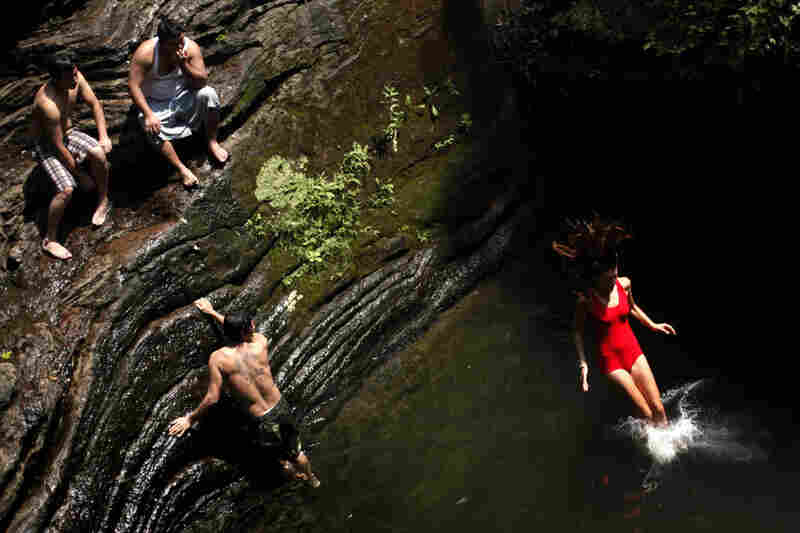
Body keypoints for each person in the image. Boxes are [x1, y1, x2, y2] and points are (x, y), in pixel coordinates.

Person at [168, 298, 320, 487]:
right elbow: (239, 330)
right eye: (251, 324)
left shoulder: (218, 359)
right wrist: (215, 313)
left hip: (262, 420)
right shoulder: (260, 343)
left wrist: (190, 419)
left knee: (277, 455)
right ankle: (312, 479)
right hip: (281, 408)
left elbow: (213, 397)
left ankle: (287, 473)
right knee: (297, 453)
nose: (254, 326)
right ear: (246, 330)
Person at [553, 217, 676, 426]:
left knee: (659, 408)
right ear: (596, 278)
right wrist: (583, 363)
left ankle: (669, 446)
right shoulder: (586, 300)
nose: (614, 279)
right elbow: (577, 331)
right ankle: (652, 448)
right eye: (609, 278)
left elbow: (633, 308)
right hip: (611, 362)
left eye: (615, 274)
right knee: (646, 413)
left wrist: (653, 325)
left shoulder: (624, 284)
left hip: (632, 350)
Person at [128, 17, 228, 188]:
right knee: (149, 126)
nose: (181, 45)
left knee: (209, 94)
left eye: (182, 40)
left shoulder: (190, 47)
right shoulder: (146, 53)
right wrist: (148, 114)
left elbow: (202, 82)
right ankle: (181, 168)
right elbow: (133, 86)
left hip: (183, 96)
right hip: (156, 103)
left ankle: (212, 141)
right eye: (175, 43)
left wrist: (184, 65)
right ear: (163, 43)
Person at [29, 53, 112, 260]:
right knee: (66, 189)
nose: (75, 81)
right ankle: (50, 240)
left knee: (98, 153)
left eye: (76, 74)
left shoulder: (75, 76)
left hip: (67, 133)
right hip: (46, 145)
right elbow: (57, 146)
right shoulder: (48, 104)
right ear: (56, 79)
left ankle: (103, 200)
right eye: (70, 78)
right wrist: (79, 175)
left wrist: (103, 136)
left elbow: (95, 104)